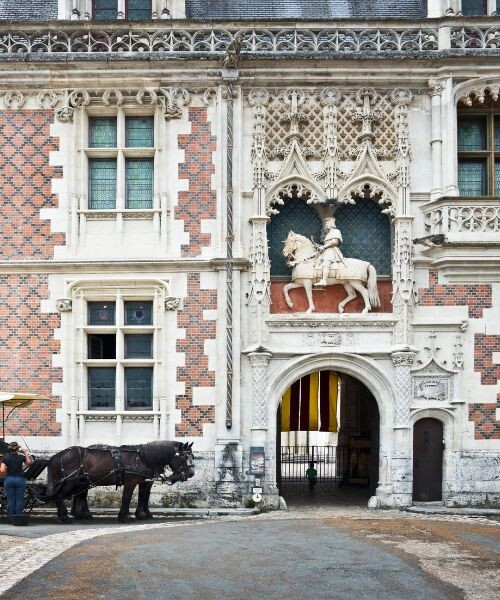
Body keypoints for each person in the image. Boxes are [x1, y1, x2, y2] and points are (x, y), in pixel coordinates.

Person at [0, 441, 32, 522]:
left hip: (9, 480)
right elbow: (29, 462)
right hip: (19, 480)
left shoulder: (5, 458)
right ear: (17, 449)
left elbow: (2, 470)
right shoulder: (21, 457)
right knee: (19, 499)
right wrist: (25, 453)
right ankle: (18, 517)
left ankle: (10, 518)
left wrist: (7, 469)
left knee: (10, 499)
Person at [314, 217, 345, 287]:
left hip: (332, 250)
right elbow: (327, 244)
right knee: (317, 261)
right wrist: (320, 246)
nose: (326, 225)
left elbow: (335, 242)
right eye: (326, 224)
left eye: (327, 223)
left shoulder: (336, 231)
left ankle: (324, 281)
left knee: (326, 263)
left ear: (331, 224)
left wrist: (323, 247)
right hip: (326, 251)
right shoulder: (328, 233)